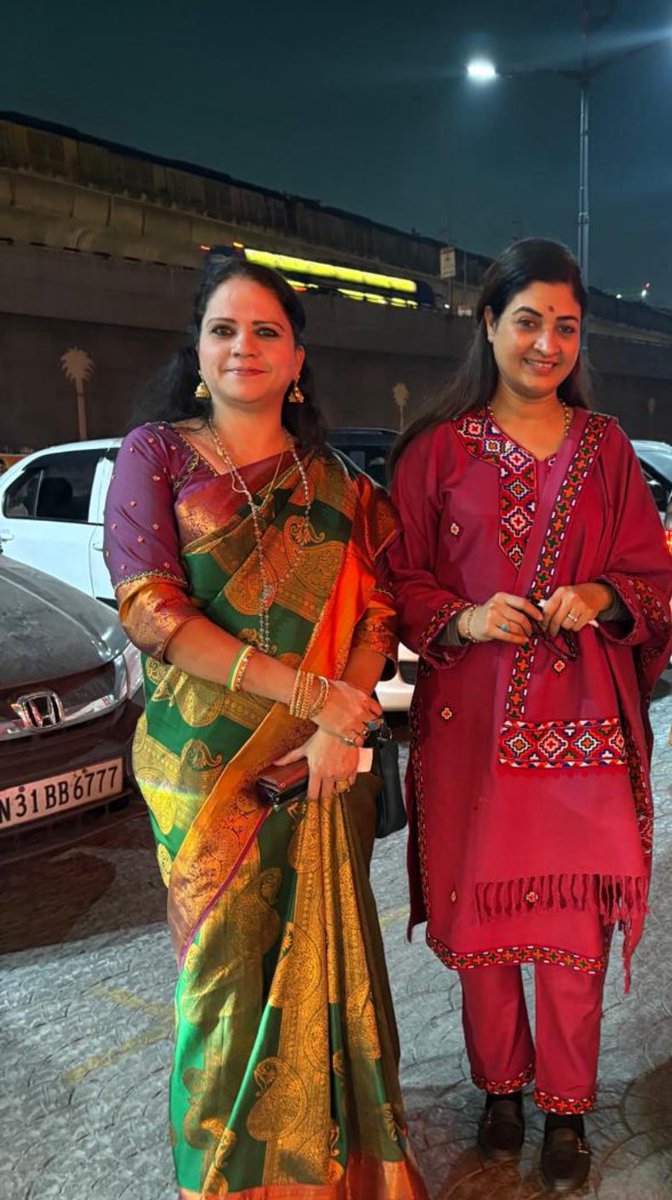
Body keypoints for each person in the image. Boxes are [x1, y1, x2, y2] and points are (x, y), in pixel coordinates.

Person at [104, 254, 428, 1200]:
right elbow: (149, 609)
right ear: (196, 354)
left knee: (332, 959)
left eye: (265, 332)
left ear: (299, 360)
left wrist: (341, 725)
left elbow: (379, 613)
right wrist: (304, 693)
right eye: (222, 330)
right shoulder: (155, 454)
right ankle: (223, 1184)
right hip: (203, 768)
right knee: (220, 975)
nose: (242, 346)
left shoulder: (338, 483)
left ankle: (336, 1170)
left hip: (322, 764)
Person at [387, 238, 672, 1193]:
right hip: (470, 724)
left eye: (565, 326)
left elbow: (654, 576)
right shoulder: (438, 451)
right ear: (489, 324)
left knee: (572, 924)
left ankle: (568, 1106)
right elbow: (401, 583)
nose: (546, 343)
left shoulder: (609, 451)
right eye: (527, 321)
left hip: (585, 722)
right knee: (481, 926)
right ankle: (500, 1090)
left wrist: (601, 596)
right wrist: (464, 616)